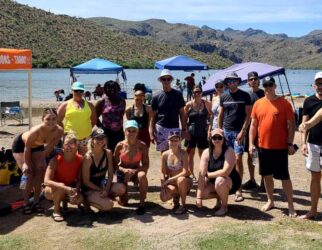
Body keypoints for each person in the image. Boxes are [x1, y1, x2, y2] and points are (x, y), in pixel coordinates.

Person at [249, 76, 297, 217]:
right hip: (263, 147)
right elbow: (253, 125)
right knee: (266, 176)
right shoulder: (258, 103)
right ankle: (270, 201)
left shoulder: (284, 103)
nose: (268, 88)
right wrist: (251, 144)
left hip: (280, 147)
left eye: (271, 85)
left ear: (275, 86)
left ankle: (291, 205)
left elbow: (292, 125)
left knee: (284, 177)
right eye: (266, 85)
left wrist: (290, 143)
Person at [12, 108, 64, 214]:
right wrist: (26, 163)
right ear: (42, 119)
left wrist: (42, 159)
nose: (51, 122)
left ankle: (36, 202)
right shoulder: (36, 131)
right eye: (48, 119)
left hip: (38, 147)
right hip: (22, 146)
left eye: (54, 119)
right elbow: (27, 148)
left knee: (40, 171)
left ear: (57, 119)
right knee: (29, 173)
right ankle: (25, 203)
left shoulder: (59, 131)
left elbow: (50, 146)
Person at [218, 72, 251, 202]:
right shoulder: (224, 96)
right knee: (226, 160)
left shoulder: (245, 95)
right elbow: (220, 115)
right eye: (229, 81)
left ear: (238, 81)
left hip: (238, 133)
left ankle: (238, 189)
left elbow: (248, 115)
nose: (232, 83)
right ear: (227, 82)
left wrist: (243, 131)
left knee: (238, 159)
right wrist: (220, 131)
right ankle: (226, 184)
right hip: (226, 132)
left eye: (234, 80)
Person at [196, 128, 241, 216]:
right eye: (214, 138)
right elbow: (202, 174)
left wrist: (208, 175)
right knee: (203, 194)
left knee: (220, 180)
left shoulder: (229, 151)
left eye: (219, 138)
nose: (217, 140)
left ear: (223, 139)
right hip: (214, 181)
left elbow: (225, 172)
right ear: (211, 139)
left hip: (230, 181)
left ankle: (224, 207)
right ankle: (220, 197)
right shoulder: (206, 152)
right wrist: (198, 197)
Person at [82, 128, 126, 212]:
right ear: (92, 140)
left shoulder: (108, 153)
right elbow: (86, 181)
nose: (100, 140)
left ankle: (102, 198)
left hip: (102, 184)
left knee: (121, 188)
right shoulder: (88, 157)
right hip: (90, 188)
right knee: (108, 205)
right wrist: (100, 190)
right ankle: (86, 201)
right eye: (97, 138)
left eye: (102, 138)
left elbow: (110, 173)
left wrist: (106, 189)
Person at [44, 132, 83, 222]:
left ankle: (64, 203)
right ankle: (56, 210)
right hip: (52, 190)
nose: (69, 147)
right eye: (66, 144)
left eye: (72, 144)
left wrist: (76, 189)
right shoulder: (55, 159)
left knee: (79, 199)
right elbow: (46, 181)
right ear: (63, 146)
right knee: (61, 186)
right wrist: (64, 187)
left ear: (76, 146)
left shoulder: (80, 159)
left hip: (69, 189)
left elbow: (79, 179)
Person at [298, 71, 322, 220]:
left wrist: (307, 124)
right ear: (314, 85)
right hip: (313, 144)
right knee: (315, 177)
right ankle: (313, 211)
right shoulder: (308, 101)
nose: (321, 86)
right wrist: (303, 143)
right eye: (319, 83)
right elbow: (304, 124)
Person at [114, 120, 149, 215]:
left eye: (134, 131)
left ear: (138, 132)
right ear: (125, 132)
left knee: (142, 176)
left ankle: (142, 204)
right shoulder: (119, 145)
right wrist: (124, 170)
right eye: (129, 130)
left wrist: (133, 171)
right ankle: (114, 195)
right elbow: (115, 164)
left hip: (136, 171)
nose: (131, 133)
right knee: (124, 203)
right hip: (123, 172)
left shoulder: (142, 146)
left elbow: (146, 165)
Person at [150, 69, 188, 153]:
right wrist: (152, 132)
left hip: (174, 128)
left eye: (168, 79)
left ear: (171, 80)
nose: (166, 81)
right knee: (164, 154)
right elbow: (153, 116)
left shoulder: (178, 94)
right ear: (161, 80)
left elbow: (182, 113)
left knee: (176, 153)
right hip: (161, 128)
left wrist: (184, 130)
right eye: (164, 79)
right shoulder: (156, 96)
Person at [57, 81, 97, 155]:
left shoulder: (90, 105)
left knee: (85, 159)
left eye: (81, 91)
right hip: (70, 137)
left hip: (86, 138)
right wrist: (65, 130)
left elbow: (94, 120)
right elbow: (58, 120)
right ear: (72, 91)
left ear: (83, 92)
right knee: (69, 157)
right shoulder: (65, 105)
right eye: (76, 91)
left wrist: (86, 129)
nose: (78, 93)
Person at [242, 71, 265, 191]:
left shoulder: (264, 93)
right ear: (248, 82)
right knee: (252, 155)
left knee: (262, 156)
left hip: (262, 130)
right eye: (251, 79)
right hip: (250, 130)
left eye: (255, 79)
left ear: (259, 81)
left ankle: (264, 181)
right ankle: (252, 180)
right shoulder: (246, 95)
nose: (254, 81)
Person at [160, 131, 192, 214]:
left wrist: (170, 179)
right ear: (168, 141)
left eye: (176, 140)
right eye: (172, 140)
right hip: (172, 183)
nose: (174, 142)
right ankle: (176, 200)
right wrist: (163, 180)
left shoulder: (183, 153)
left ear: (179, 141)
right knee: (163, 197)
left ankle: (183, 205)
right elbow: (162, 171)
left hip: (184, 181)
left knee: (181, 180)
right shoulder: (165, 154)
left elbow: (186, 172)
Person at [184, 86, 212, 180]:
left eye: (199, 92)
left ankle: (203, 173)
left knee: (203, 154)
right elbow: (184, 119)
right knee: (190, 155)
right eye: (195, 92)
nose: (197, 94)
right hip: (191, 133)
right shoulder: (188, 105)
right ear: (192, 93)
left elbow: (211, 117)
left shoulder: (207, 103)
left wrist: (209, 129)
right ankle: (191, 174)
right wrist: (185, 131)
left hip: (202, 132)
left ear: (201, 93)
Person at [95, 80, 126, 152]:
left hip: (119, 132)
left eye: (114, 88)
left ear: (118, 89)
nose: (112, 90)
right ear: (105, 90)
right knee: (106, 152)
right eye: (109, 88)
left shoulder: (122, 101)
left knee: (118, 152)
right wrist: (101, 128)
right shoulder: (102, 102)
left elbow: (121, 115)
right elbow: (94, 117)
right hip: (106, 132)